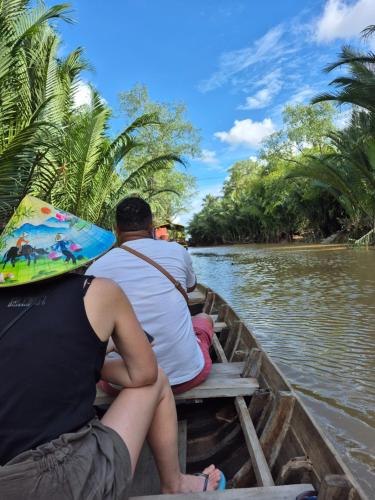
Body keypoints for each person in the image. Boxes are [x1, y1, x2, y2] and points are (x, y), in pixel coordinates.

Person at [0, 196, 223, 499]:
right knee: (159, 369)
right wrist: (89, 355)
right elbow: (144, 373)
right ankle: (175, 483)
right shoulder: (96, 289)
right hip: (63, 478)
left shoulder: (103, 268)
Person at [86, 197, 214, 394]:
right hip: (187, 376)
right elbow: (191, 287)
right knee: (203, 319)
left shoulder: (96, 267)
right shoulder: (177, 251)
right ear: (151, 226)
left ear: (116, 230)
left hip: (123, 385)